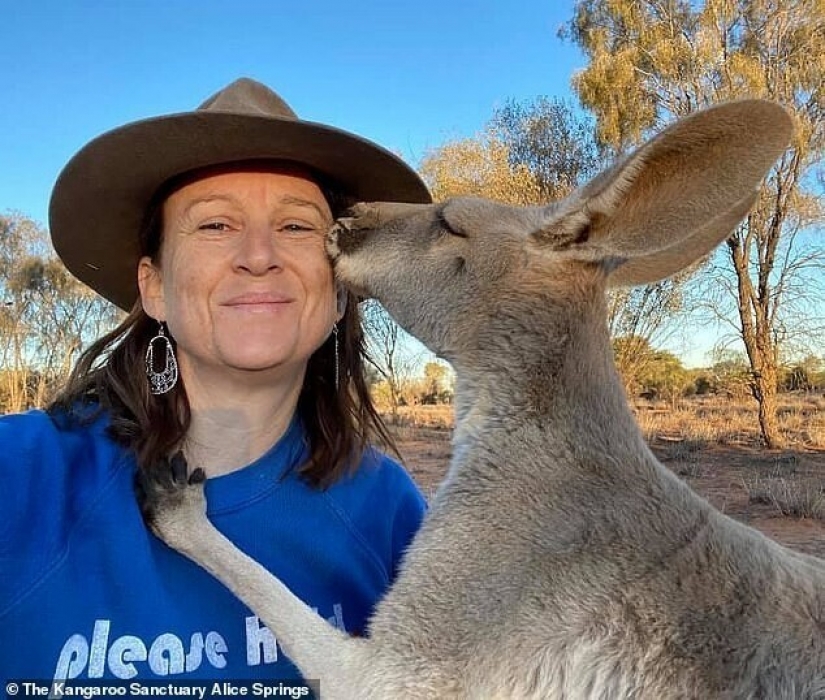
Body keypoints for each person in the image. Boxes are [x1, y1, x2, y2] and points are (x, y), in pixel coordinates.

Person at [0, 78, 431, 684]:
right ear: (153, 287)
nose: (259, 255)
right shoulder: (21, 477)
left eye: (298, 227)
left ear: (340, 289)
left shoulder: (391, 517)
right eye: (215, 226)